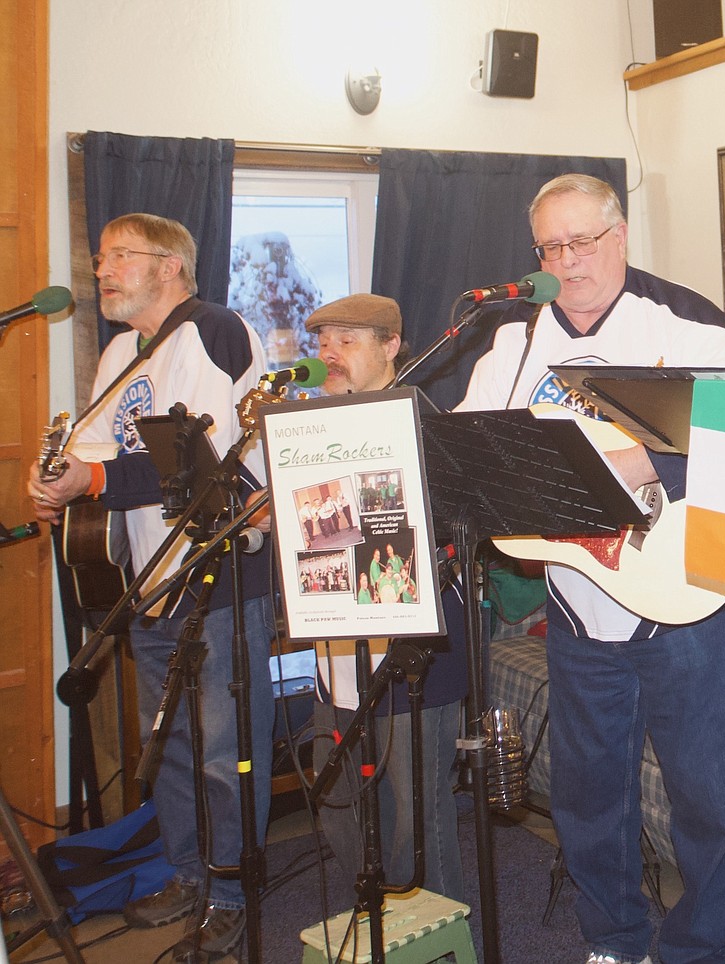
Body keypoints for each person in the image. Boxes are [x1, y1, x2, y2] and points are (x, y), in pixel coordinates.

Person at [455, 173, 725, 964]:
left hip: (689, 603)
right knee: (589, 799)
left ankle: (704, 949)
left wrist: (638, 463)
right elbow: (470, 458)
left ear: (620, 237)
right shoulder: (514, 346)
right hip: (578, 608)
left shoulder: (691, 326)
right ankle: (615, 942)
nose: (568, 261)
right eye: (551, 248)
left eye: (582, 242)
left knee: (702, 802)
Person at [27, 213, 276, 962]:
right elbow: (95, 450)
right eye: (100, 259)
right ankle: (188, 872)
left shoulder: (208, 331)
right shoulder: (116, 353)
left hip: (221, 575)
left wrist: (94, 477)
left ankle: (232, 889)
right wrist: (58, 478)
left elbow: (197, 468)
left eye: (120, 257)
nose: (102, 271)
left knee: (222, 750)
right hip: (151, 581)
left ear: (169, 266)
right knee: (167, 744)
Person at [302, 293, 469, 900]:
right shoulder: (311, 430)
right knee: (338, 806)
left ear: (391, 346)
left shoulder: (428, 423)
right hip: (334, 655)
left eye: (347, 341)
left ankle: (442, 939)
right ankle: (379, 926)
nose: (330, 356)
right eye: (322, 344)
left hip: (412, 657)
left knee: (417, 826)